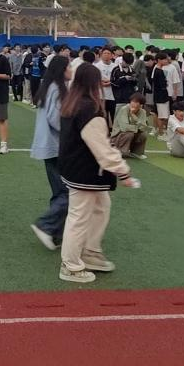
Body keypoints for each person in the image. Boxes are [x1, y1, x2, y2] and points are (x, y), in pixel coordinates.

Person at [57, 64, 138, 284]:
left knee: (101, 207)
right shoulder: (89, 109)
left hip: (76, 168)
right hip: (85, 172)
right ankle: (70, 266)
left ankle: (90, 251)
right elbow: (102, 149)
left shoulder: (71, 102)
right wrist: (123, 171)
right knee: (79, 217)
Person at [29, 55, 70, 250]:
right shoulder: (57, 88)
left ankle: (55, 233)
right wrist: (72, 129)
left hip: (49, 146)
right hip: (56, 146)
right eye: (69, 67)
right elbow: (56, 118)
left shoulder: (49, 86)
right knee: (67, 191)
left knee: (59, 191)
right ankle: (46, 226)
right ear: (62, 70)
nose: (71, 70)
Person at [110, 93, 152, 158]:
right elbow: (124, 128)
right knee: (129, 134)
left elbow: (144, 128)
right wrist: (137, 128)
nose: (133, 103)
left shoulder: (142, 112)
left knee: (143, 134)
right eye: (132, 101)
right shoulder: (124, 109)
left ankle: (136, 152)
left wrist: (133, 116)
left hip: (133, 134)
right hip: (118, 136)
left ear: (141, 105)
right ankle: (121, 152)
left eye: (136, 102)